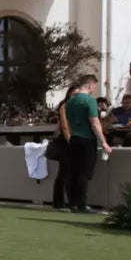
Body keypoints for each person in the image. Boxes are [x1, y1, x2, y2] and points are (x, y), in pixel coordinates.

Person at [64, 74, 112, 213]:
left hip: (74, 138)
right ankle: (82, 204)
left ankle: (72, 203)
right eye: (95, 85)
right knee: (84, 172)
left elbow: (69, 121)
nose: (94, 88)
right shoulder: (90, 100)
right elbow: (95, 122)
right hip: (87, 139)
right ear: (90, 84)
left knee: (73, 171)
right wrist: (104, 142)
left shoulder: (70, 101)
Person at [50, 81, 80, 211]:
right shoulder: (65, 106)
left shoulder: (77, 107)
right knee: (64, 172)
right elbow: (64, 127)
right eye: (74, 94)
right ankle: (59, 201)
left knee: (69, 172)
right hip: (65, 142)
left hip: (73, 139)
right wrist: (70, 142)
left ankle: (68, 200)